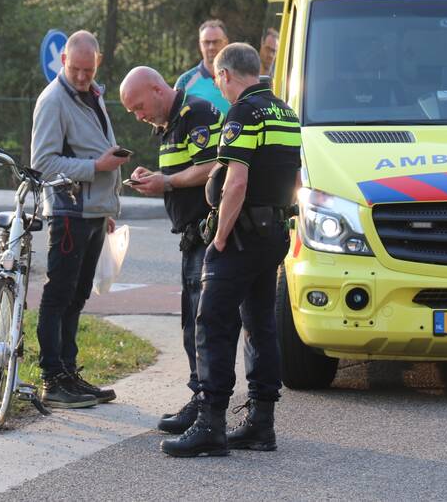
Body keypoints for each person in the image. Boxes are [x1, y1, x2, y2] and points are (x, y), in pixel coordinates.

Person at [161, 43, 301, 458]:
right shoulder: (286, 113)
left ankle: (211, 423)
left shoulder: (242, 113)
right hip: (273, 232)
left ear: (224, 75)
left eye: (219, 81)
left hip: (239, 236)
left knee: (213, 323)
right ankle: (261, 423)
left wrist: (220, 237)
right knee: (261, 324)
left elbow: (235, 181)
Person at [118, 66, 223, 435]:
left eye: (139, 106)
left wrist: (166, 182)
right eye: (132, 111)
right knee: (190, 322)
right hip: (189, 236)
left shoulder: (195, 113)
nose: (138, 115)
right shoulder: (168, 125)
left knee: (201, 323)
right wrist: (156, 178)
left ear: (156, 89)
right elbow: (181, 172)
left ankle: (206, 405)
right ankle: (200, 398)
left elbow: (212, 165)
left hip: (205, 234)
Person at [30, 30, 129, 409]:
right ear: (63, 63)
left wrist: (107, 208)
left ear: (97, 62)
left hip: (92, 212)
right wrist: (96, 167)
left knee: (78, 295)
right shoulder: (53, 100)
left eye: (89, 69)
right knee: (59, 294)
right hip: (69, 211)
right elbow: (43, 162)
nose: (83, 76)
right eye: (76, 69)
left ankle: (69, 373)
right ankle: (52, 379)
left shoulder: (94, 93)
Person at [175, 19, 231, 113]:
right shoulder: (185, 82)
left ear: (226, 42)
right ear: (200, 45)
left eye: (216, 42)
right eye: (206, 42)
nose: (211, 47)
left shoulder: (239, 77)